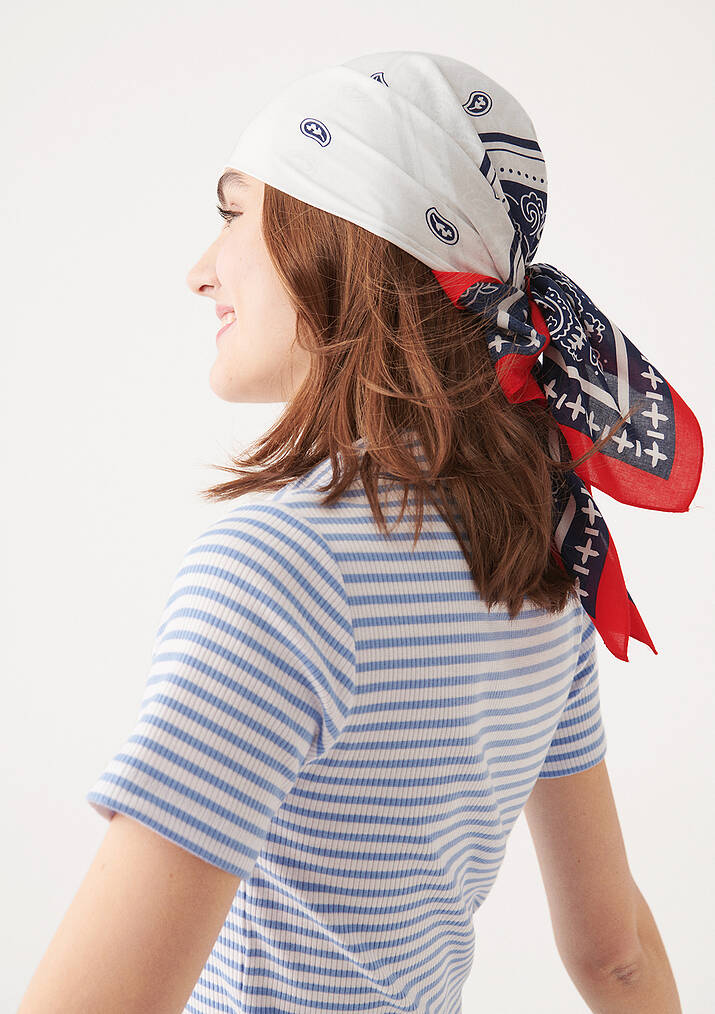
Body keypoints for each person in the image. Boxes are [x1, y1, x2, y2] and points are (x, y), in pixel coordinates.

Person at [19, 51, 696, 1014]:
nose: (200, 271)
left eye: (232, 214)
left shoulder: (281, 568)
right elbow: (614, 954)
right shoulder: (542, 552)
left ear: (340, 238)